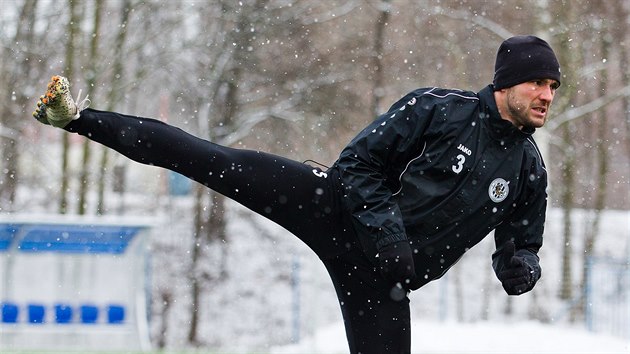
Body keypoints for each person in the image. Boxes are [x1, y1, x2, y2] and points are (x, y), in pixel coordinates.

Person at [32, 35, 561, 353]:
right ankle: (78, 118)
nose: (546, 95)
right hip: (333, 209)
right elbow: (359, 165)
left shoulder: (529, 169)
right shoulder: (438, 109)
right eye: (537, 82)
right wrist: (388, 232)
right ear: (505, 83)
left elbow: (521, 245)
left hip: (384, 282)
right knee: (214, 161)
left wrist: (522, 268)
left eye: (554, 87)